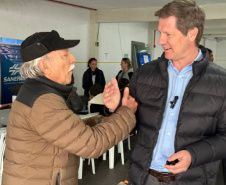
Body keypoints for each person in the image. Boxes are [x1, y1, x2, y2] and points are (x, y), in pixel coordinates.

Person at [104, 1, 226, 185]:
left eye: (168, 34)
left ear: (192, 33)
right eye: (160, 32)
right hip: (144, 177)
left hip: (192, 180)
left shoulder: (221, 82)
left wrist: (193, 155)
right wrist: (116, 109)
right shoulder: (144, 74)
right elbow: (131, 122)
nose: (160, 40)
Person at [2, 30, 137, 185]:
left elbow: (72, 130)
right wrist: (126, 113)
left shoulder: (40, 92)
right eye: (65, 55)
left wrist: (111, 111)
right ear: (45, 66)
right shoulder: (43, 102)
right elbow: (91, 144)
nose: (73, 59)